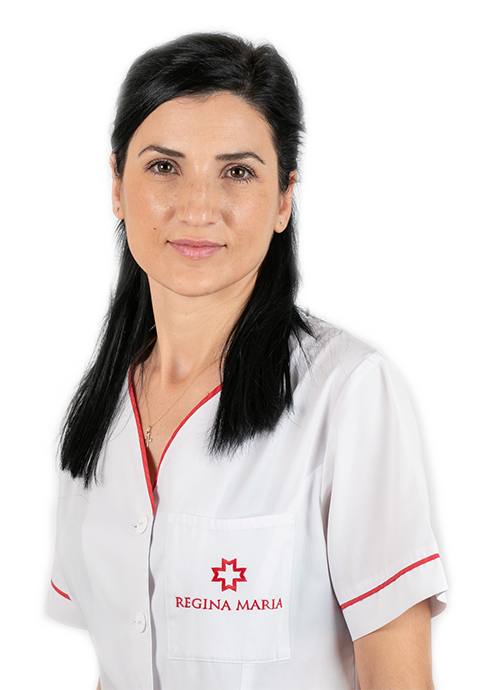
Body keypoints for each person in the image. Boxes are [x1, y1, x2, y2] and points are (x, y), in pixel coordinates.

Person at [45, 28, 448, 690]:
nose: (198, 208)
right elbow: (117, 666)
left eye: (237, 172)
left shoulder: (348, 395)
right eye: (164, 167)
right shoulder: (94, 412)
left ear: (285, 198)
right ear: (116, 184)